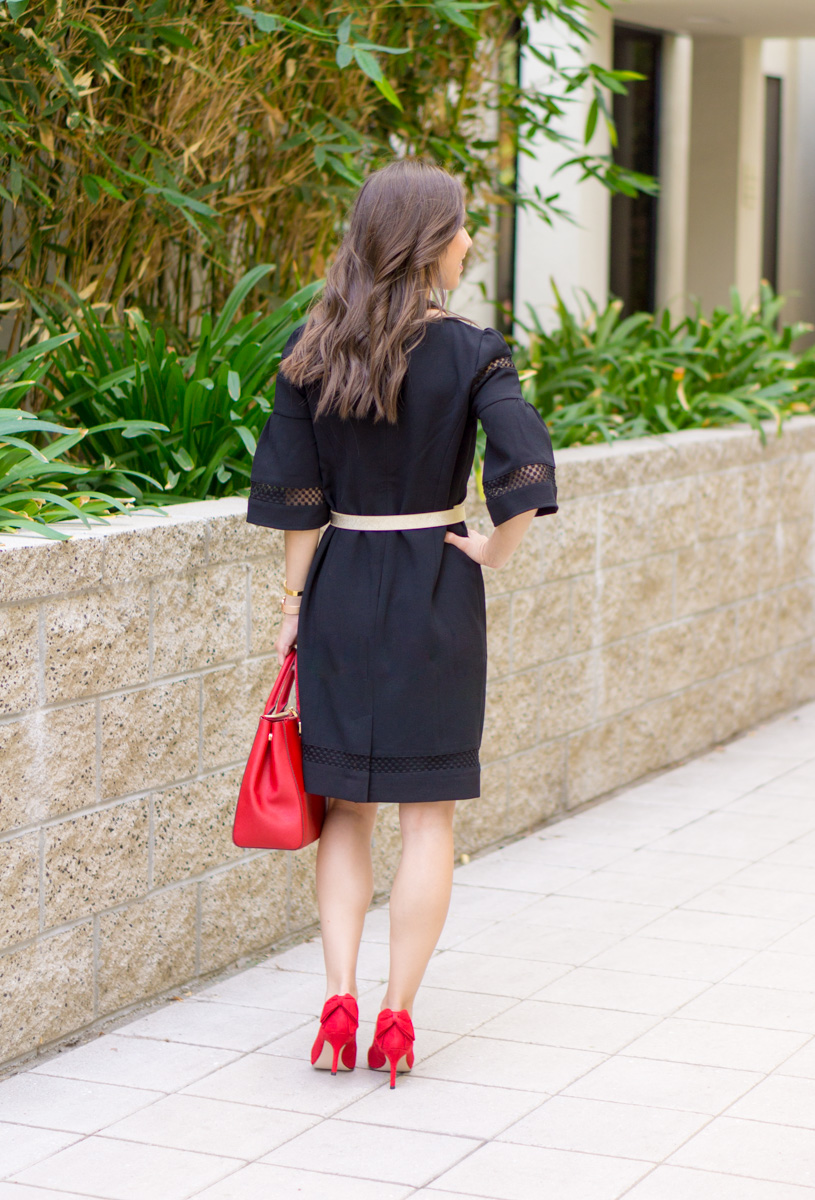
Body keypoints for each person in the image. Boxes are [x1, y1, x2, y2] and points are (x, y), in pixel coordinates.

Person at [246, 158, 558, 1088]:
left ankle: (337, 998)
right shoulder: (472, 350)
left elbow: (295, 503)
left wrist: (298, 611)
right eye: (462, 228)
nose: (469, 242)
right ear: (430, 240)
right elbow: (524, 462)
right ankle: (395, 1017)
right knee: (429, 818)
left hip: (342, 586)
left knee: (345, 808)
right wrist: (495, 550)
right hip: (433, 586)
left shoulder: (313, 350)